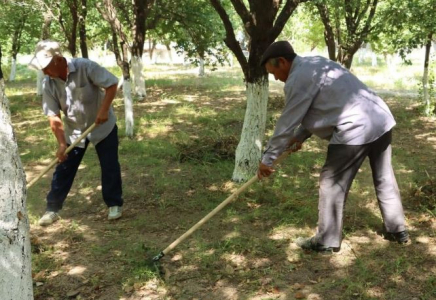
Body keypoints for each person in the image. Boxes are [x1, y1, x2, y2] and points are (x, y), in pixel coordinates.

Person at [257, 41, 408, 253]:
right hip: (380, 117)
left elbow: (287, 122)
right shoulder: (317, 63)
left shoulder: (297, 79)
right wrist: (300, 136)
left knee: (331, 182)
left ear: (283, 61)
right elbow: (327, 103)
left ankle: (325, 240)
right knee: (384, 176)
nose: (276, 78)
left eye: (275, 72)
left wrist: (268, 159)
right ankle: (397, 230)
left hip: (355, 127)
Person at [29, 40, 123, 226]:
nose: (44, 71)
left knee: (109, 164)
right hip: (75, 130)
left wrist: (104, 110)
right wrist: (62, 143)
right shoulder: (49, 84)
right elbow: (53, 116)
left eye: (46, 66)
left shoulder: (85, 67)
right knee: (64, 167)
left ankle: (114, 204)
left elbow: (112, 84)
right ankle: (52, 208)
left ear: (58, 60)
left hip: (103, 127)